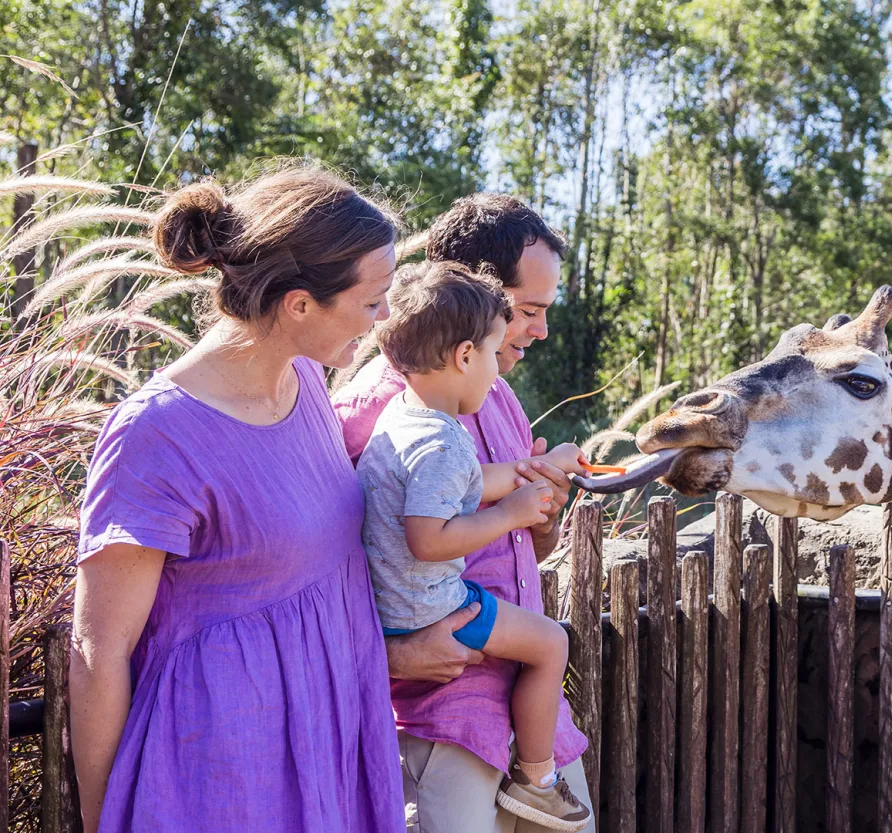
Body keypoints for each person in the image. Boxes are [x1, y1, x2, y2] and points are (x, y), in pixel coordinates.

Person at [70, 164, 403, 833]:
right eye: (372, 301)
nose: (385, 316)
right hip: (217, 777)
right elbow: (98, 649)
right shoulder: (157, 434)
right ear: (299, 304)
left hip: (326, 738)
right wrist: (103, 819)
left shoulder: (308, 379)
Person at [333, 193, 590, 833]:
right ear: (474, 301)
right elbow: (323, 572)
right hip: (442, 724)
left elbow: (519, 551)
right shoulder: (373, 412)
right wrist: (395, 655)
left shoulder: (495, 395)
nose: (540, 331)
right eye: (528, 311)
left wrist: (543, 515)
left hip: (529, 717)